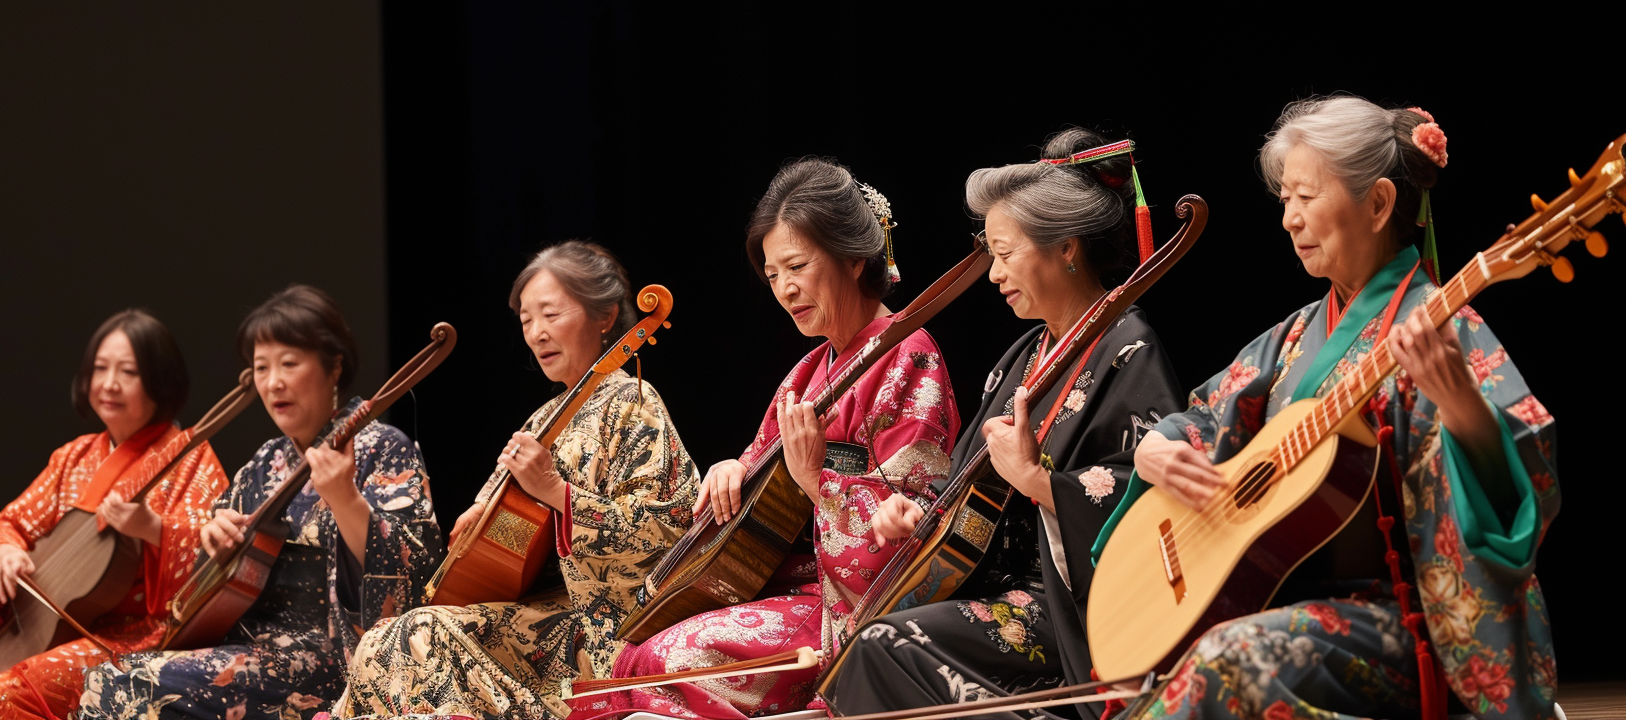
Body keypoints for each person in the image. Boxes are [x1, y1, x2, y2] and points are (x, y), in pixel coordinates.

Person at [1104, 97, 1558, 719]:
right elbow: (1205, 414)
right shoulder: (1294, 338)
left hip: (1401, 618)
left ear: (1377, 205)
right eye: (1285, 200)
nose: (1289, 219)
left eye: (1307, 197)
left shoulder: (1444, 329)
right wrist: (1159, 447)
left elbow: (1524, 484)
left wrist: (1462, 410)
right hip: (1283, 605)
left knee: (1227, 660)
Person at [821, 128, 1185, 720]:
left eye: (1006, 253)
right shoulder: (1022, 357)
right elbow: (966, 486)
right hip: (1000, 591)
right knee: (875, 643)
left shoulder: (1128, 346)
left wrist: (1041, 483)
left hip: (1073, 606)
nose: (993, 274)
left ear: (1066, 246)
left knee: (884, 649)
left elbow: (1155, 497)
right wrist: (915, 512)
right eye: (991, 254)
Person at [605, 158, 961, 719]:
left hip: (850, 608)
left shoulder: (909, 357)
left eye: (796, 266)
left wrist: (819, 482)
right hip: (792, 587)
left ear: (853, 257)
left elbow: (918, 528)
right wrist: (730, 470)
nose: (785, 289)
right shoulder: (806, 373)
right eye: (773, 276)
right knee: (628, 657)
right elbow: (759, 478)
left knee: (670, 659)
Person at [329, 241, 700, 720]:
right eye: (527, 321)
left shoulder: (633, 401)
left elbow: (667, 530)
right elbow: (505, 542)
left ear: (605, 316)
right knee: (384, 642)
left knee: (416, 638)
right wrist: (479, 528)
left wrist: (556, 493)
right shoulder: (542, 419)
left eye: (550, 314)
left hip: (607, 626)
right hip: (540, 616)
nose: (537, 334)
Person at [76, 285, 445, 720]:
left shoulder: (383, 448)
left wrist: (346, 500)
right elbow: (212, 573)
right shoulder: (267, 462)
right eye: (262, 367)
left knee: (128, 687)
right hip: (254, 647)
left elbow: (420, 573)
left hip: (333, 661)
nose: (274, 382)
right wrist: (214, 539)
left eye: (289, 363)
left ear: (334, 366)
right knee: (108, 676)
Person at [0, 309, 230, 720]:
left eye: (128, 372)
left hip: (135, 639)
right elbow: (6, 524)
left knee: (11, 696)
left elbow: (218, 561)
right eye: (100, 369)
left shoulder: (190, 460)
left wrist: (151, 528)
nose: (109, 384)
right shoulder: (73, 456)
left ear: (160, 380)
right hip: (47, 632)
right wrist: (5, 554)